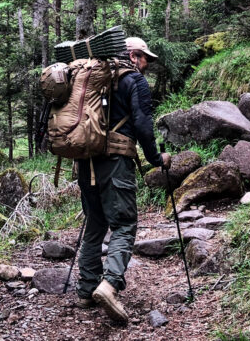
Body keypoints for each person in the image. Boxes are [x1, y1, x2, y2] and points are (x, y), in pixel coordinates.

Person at [75, 37, 172, 323]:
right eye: (144, 59)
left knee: (94, 223)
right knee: (125, 224)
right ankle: (110, 285)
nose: (146, 65)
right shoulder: (134, 81)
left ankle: (85, 290)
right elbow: (142, 124)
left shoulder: (91, 77)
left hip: (85, 161)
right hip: (116, 161)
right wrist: (156, 159)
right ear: (132, 55)